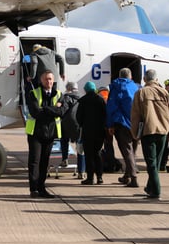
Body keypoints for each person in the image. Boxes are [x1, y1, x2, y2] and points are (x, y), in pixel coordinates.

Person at [130, 69, 169, 199]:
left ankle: (156, 191)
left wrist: (135, 133)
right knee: (156, 162)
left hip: (148, 131)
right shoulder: (164, 92)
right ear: (156, 79)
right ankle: (150, 187)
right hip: (163, 131)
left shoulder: (141, 92)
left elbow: (135, 115)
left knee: (151, 164)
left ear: (144, 79)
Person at [25, 70, 67, 198]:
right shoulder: (34, 94)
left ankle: (42, 188)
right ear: (41, 80)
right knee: (35, 161)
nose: (48, 82)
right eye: (46, 79)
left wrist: (45, 109)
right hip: (36, 133)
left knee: (45, 162)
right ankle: (33, 189)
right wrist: (54, 109)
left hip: (50, 133)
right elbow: (35, 112)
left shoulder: (59, 94)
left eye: (50, 79)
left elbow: (62, 111)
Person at [106, 67, 141, 187]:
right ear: (130, 76)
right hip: (136, 123)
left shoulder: (116, 87)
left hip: (122, 123)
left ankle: (133, 177)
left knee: (127, 152)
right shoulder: (137, 87)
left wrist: (110, 124)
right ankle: (127, 176)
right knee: (133, 151)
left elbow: (111, 106)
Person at [76, 81, 107, 185]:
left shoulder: (83, 101)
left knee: (89, 155)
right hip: (100, 132)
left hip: (87, 131)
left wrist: (82, 124)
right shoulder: (101, 100)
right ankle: (100, 177)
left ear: (85, 90)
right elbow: (105, 115)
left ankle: (90, 178)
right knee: (97, 153)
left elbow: (78, 117)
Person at [58, 82, 81, 169]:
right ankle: (81, 164)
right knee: (79, 144)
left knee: (64, 140)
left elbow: (62, 110)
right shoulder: (81, 97)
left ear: (68, 89)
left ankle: (65, 159)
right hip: (78, 124)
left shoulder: (65, 97)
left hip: (66, 124)